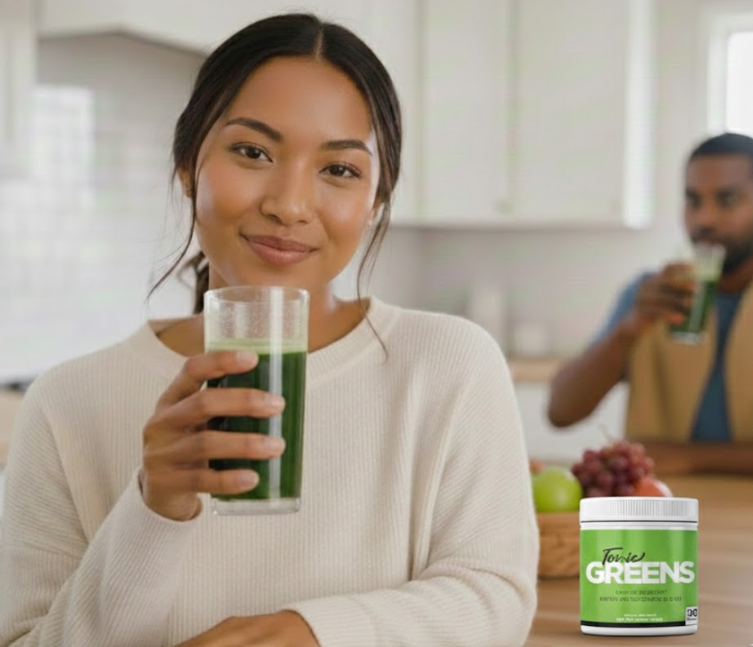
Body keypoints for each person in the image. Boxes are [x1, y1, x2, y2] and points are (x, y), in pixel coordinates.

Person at [0, 13, 537, 647]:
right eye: (252, 152)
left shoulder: (448, 364)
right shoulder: (68, 403)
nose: (289, 204)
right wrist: (153, 506)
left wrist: (310, 633)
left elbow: (493, 597)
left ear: (376, 199)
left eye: (339, 170)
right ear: (186, 166)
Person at [548, 132, 753, 476]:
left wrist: (689, 458)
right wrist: (628, 330)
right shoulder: (651, 295)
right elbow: (561, 412)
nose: (704, 219)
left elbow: (678, 459)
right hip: (658, 508)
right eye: (692, 200)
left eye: (727, 200)